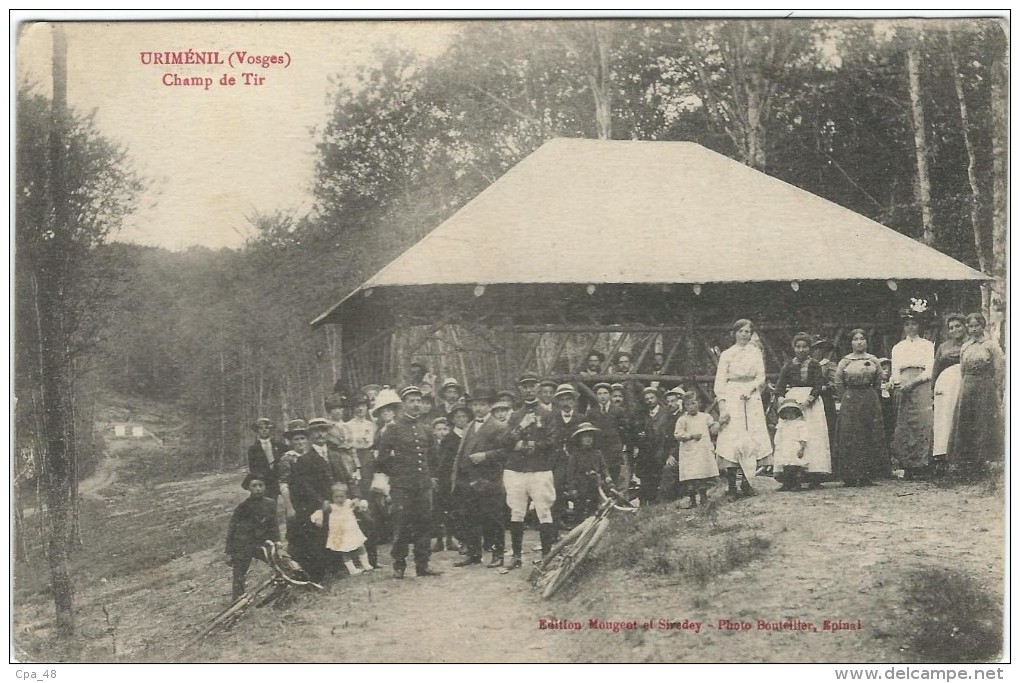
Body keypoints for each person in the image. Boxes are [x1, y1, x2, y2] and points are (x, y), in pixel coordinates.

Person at [374, 385, 442, 579]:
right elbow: (382, 460)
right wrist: (397, 473)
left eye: (418, 401)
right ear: (403, 404)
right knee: (402, 524)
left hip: (423, 485)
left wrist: (432, 477)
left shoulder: (426, 429)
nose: (415, 405)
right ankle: (399, 564)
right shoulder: (393, 429)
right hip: (402, 486)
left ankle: (423, 564)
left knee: (424, 524)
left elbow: (434, 458)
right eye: (411, 401)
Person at [500, 372, 556, 567]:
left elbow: (552, 441)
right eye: (525, 386)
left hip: (540, 469)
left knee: (544, 511)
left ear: (538, 387)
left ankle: (547, 556)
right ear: (520, 389)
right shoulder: (515, 415)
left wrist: (525, 445)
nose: (529, 389)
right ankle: (516, 556)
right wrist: (521, 427)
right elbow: (506, 441)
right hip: (517, 470)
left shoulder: (548, 415)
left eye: (532, 385)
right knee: (517, 512)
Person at [714, 319, 773, 497]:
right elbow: (720, 382)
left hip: (751, 397)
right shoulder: (727, 354)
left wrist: (751, 388)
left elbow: (761, 376)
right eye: (741, 331)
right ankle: (732, 486)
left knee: (752, 435)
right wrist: (723, 406)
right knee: (733, 436)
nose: (745, 334)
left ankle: (747, 483)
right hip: (733, 396)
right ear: (735, 333)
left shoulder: (755, 352)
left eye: (748, 331)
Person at [947, 313, 1005, 476]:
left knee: (983, 423)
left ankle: (984, 461)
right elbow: (962, 370)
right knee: (966, 422)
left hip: (985, 387)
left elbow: (999, 369)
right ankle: (967, 462)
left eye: (976, 326)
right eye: (970, 326)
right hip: (968, 387)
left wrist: (996, 388)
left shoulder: (991, 345)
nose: (973, 329)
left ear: (983, 326)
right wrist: (965, 386)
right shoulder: (965, 346)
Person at [774, 332, 831, 487]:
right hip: (792, 403)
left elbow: (819, 385)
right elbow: (779, 387)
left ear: (809, 348)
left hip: (811, 403)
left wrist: (808, 400)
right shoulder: (788, 365)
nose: (801, 350)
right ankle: (789, 477)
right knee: (790, 438)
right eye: (798, 347)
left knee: (813, 437)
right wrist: (781, 399)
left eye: (804, 347)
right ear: (794, 348)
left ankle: (814, 476)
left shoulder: (814, 365)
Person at [833, 329, 889, 487]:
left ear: (866, 342)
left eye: (862, 339)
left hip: (869, 398)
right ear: (851, 343)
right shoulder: (845, 361)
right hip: (850, 398)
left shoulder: (873, 360)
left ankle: (867, 475)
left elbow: (878, 380)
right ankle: (849, 476)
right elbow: (838, 382)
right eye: (856, 339)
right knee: (850, 435)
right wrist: (847, 396)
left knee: (868, 434)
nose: (859, 342)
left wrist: (871, 394)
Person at [287, 419, 339, 583]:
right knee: (315, 534)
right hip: (316, 504)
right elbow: (305, 487)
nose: (320, 434)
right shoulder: (304, 460)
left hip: (337, 500)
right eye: (316, 431)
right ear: (311, 436)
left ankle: (344, 563)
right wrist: (321, 502)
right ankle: (320, 571)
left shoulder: (334, 455)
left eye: (323, 430)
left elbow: (343, 478)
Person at [226, 474, 279, 600]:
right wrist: (230, 549)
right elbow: (233, 528)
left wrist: (277, 541)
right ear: (248, 488)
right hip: (245, 543)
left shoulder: (270, 503)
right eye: (254, 486)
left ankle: (284, 586)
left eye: (261, 485)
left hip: (263, 542)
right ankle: (238, 599)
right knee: (239, 571)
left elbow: (273, 525)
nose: (258, 489)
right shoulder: (243, 507)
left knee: (280, 561)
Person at [310, 482, 372, 576]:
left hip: (352, 530)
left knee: (360, 545)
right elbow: (320, 513)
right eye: (336, 497)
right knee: (344, 550)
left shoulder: (349, 503)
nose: (339, 499)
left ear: (346, 496)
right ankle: (352, 569)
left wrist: (360, 506)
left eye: (342, 496)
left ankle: (366, 564)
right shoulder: (331, 507)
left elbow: (359, 507)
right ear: (332, 497)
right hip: (339, 532)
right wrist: (317, 519)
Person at [932, 313, 967, 474]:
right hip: (945, 384)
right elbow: (936, 369)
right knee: (944, 419)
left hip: (964, 383)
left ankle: (963, 459)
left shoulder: (971, 344)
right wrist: (932, 390)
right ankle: (943, 458)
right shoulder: (943, 347)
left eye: (958, 326)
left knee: (962, 418)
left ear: (965, 326)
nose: (955, 330)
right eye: (951, 327)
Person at [672, 392, 719, 507]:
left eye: (693, 403)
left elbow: (713, 429)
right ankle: (692, 500)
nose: (691, 407)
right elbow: (677, 434)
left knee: (703, 474)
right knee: (691, 477)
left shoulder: (705, 417)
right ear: (684, 406)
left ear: (699, 403)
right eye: (688, 404)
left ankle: (703, 498)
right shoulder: (682, 420)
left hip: (702, 451)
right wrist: (690, 436)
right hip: (689, 452)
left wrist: (716, 426)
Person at [435, 405, 471, 553]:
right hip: (455, 479)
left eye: (464, 417)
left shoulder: (472, 434)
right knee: (458, 511)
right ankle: (463, 541)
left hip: (473, 478)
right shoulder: (449, 438)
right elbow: (443, 463)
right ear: (453, 420)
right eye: (458, 417)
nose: (461, 420)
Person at [563, 423, 611, 522]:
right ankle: (579, 526)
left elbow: (604, 468)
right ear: (579, 439)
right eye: (585, 437)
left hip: (594, 483)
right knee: (580, 507)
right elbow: (570, 473)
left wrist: (607, 477)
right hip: (580, 484)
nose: (588, 439)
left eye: (590, 437)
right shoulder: (575, 455)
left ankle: (592, 524)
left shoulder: (597, 453)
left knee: (594, 506)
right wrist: (572, 489)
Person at [633, 386, 672, 503]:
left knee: (660, 475)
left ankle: (660, 501)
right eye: (647, 399)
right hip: (647, 451)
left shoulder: (666, 413)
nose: (649, 401)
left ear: (657, 398)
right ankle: (646, 502)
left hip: (662, 449)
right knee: (646, 478)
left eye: (652, 398)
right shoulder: (643, 414)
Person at [584, 382, 627, 485]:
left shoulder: (619, 411)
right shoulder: (592, 412)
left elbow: (624, 431)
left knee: (614, 479)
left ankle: (614, 500)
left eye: (605, 393)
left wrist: (620, 446)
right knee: (599, 479)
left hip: (614, 451)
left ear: (610, 395)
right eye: (599, 394)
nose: (602, 396)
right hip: (599, 450)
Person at [773, 398, 809, 491]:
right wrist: (777, 445)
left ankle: (796, 484)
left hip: (794, 446)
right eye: (787, 412)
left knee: (795, 466)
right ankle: (786, 484)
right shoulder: (782, 424)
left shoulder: (800, 424)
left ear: (796, 413)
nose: (790, 415)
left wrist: (801, 448)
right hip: (785, 446)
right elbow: (778, 436)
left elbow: (803, 437)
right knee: (786, 465)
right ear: (784, 413)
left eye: (792, 412)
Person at [810, 336, 839, 453]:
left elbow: (836, 382)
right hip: (810, 399)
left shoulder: (829, 365)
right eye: (814, 349)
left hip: (825, 399)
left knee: (827, 428)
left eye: (820, 349)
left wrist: (825, 387)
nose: (817, 352)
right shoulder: (808, 364)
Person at [247, 418, 286, 501]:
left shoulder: (278, 445)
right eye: (261, 428)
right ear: (257, 431)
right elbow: (252, 467)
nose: (264, 430)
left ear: (270, 430)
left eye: (266, 428)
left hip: (277, 478)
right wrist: (260, 476)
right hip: (263, 479)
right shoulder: (253, 449)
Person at [878, 358, 897, 449]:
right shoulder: (874, 387)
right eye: (884, 369)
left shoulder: (892, 386)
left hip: (889, 417)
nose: (887, 372)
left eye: (889, 369)